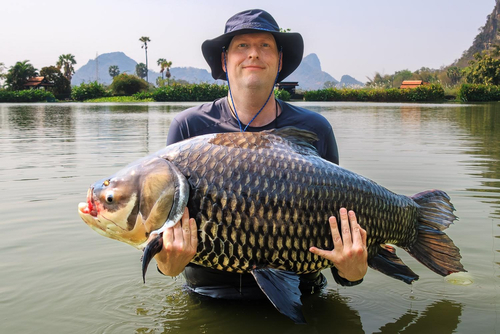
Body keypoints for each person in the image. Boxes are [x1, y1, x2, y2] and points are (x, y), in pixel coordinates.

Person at [154, 9, 368, 299]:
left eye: (265, 45)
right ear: (224, 60)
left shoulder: (315, 128)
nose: (253, 54)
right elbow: (164, 247)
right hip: (209, 296)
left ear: (279, 61)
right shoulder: (189, 128)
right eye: (242, 45)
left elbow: (338, 234)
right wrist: (167, 265)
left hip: (304, 299)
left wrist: (352, 272)